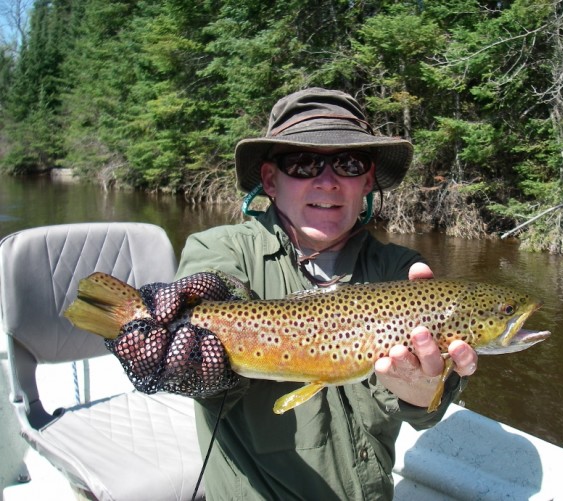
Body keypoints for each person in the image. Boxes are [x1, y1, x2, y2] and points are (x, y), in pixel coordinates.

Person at [113, 87, 478, 500]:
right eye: (303, 163)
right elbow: (215, 284)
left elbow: (423, 410)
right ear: (270, 179)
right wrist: (192, 351)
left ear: (368, 179)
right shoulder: (220, 249)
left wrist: (425, 390)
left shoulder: (399, 273)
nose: (328, 182)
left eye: (348, 163)